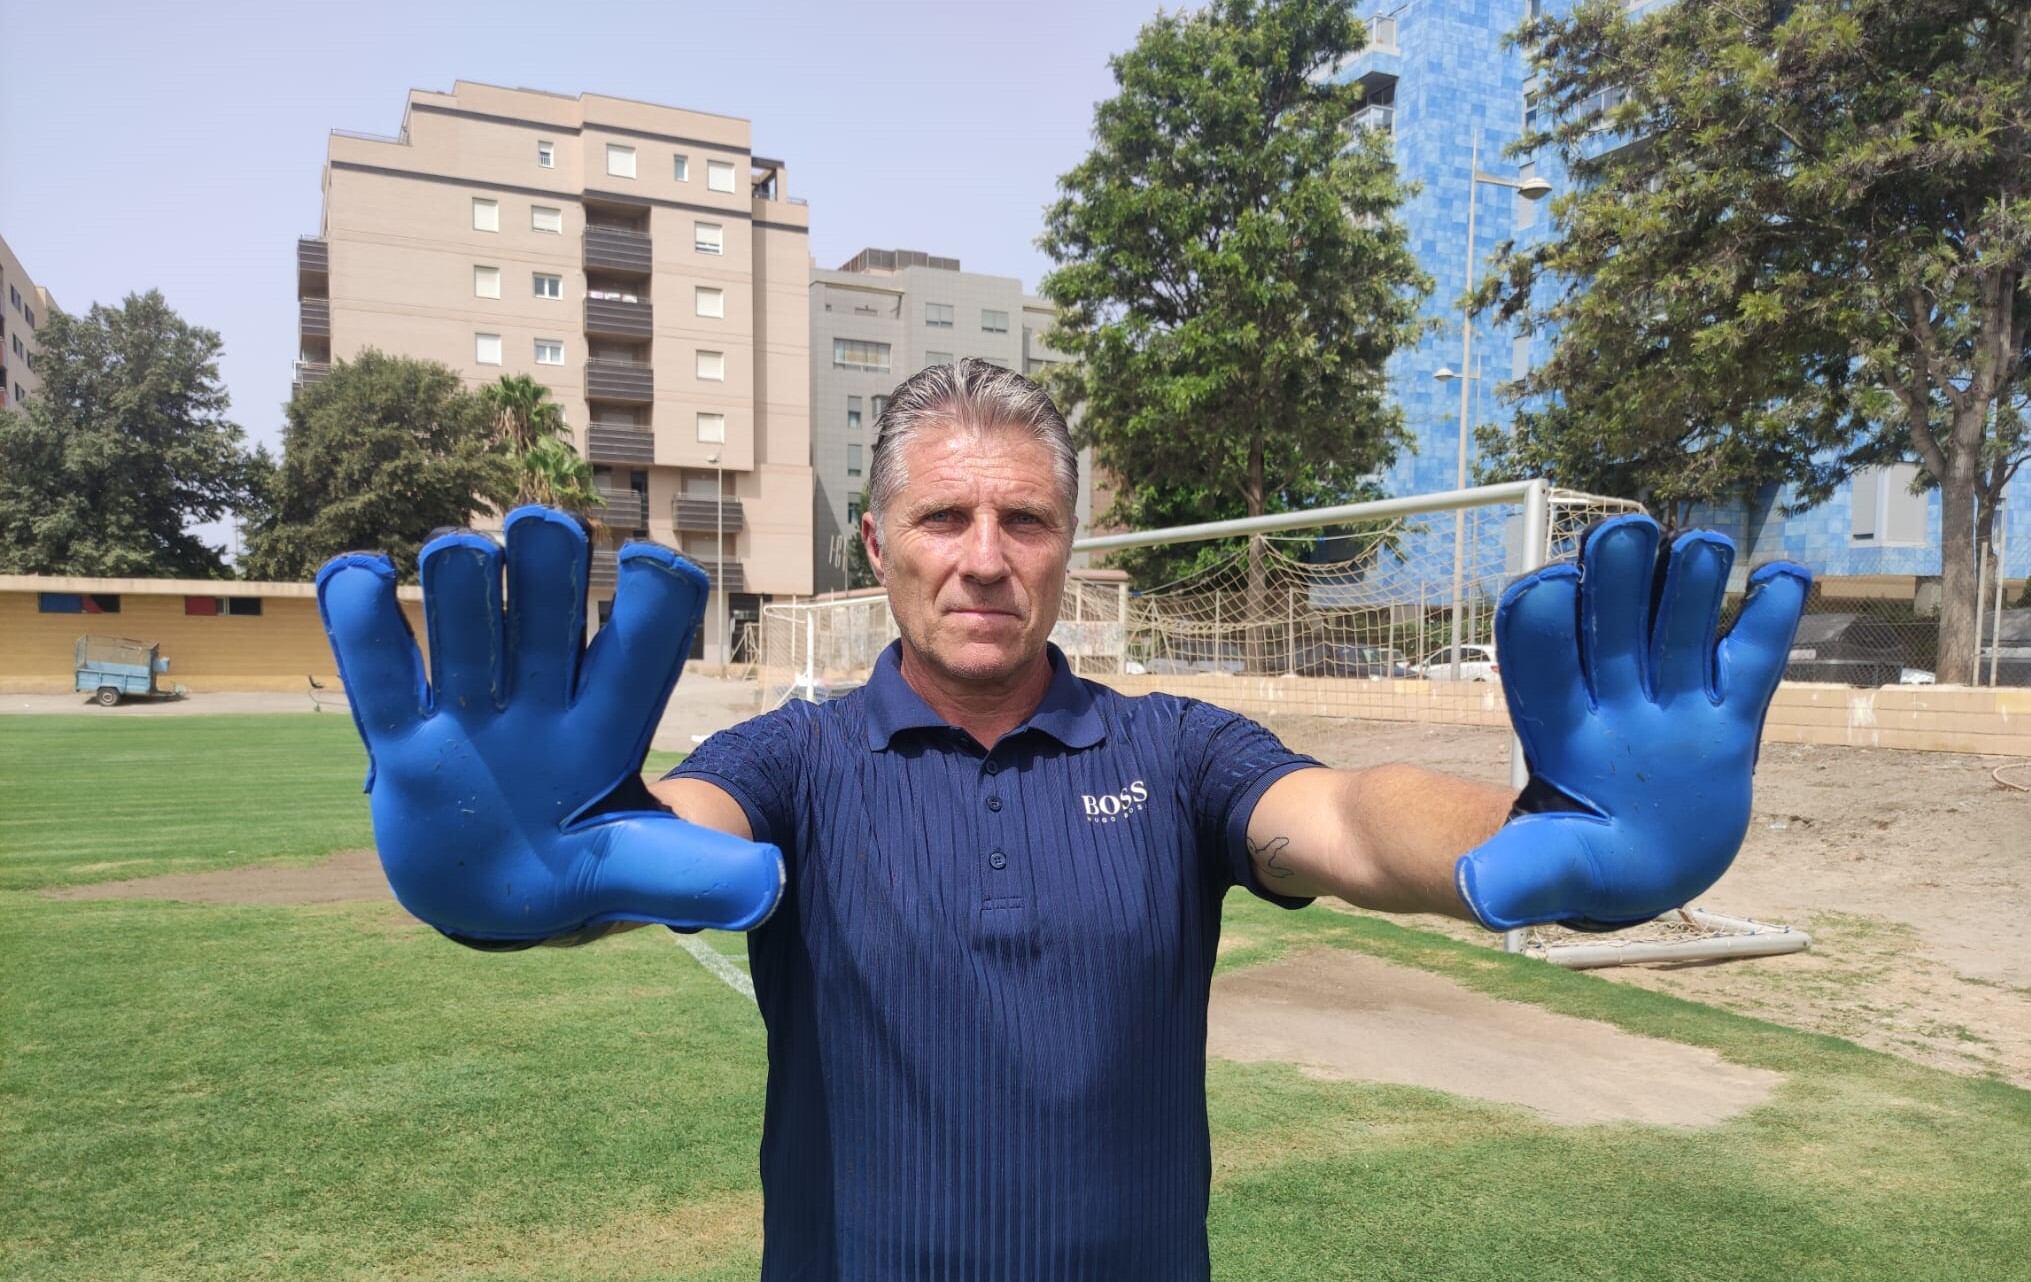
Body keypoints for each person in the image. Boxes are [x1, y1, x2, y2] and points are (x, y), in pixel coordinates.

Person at [315, 359, 1809, 1281]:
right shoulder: (796, 760)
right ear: (878, 545)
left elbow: (1346, 816)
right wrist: (542, 871)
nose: (984, 558)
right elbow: (671, 828)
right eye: (945, 520)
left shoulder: (1175, 755)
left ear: (1068, 547)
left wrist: (1536, 830)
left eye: (1023, 520)